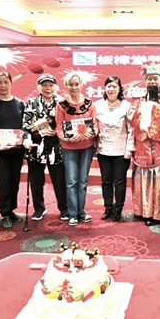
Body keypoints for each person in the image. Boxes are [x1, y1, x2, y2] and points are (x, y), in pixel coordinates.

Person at [128, 61, 160, 226]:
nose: (152, 82)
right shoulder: (138, 100)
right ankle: (143, 211)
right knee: (142, 180)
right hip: (142, 146)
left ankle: (159, 214)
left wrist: (156, 110)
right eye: (149, 79)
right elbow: (131, 117)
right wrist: (143, 111)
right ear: (145, 81)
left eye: (155, 78)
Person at [22, 73, 68, 221]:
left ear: (56, 87)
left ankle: (64, 208)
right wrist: (26, 139)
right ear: (39, 87)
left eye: (50, 85)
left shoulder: (62, 103)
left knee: (60, 180)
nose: (48, 88)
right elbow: (25, 126)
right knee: (36, 181)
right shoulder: (32, 103)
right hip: (37, 147)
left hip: (57, 148)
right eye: (44, 85)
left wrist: (56, 132)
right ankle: (39, 208)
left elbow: (67, 124)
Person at [55, 71, 98, 226]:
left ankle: (82, 211)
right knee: (71, 181)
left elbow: (95, 126)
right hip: (69, 148)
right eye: (70, 84)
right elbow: (59, 128)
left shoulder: (89, 104)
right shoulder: (61, 105)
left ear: (81, 85)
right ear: (66, 86)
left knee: (83, 181)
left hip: (86, 147)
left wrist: (90, 134)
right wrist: (65, 138)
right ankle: (73, 213)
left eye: (76, 84)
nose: (74, 87)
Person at [0, 71, 26, 229]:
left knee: (15, 181)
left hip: (17, 150)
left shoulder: (19, 103)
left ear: (11, 83)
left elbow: (24, 127)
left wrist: (23, 140)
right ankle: (4, 213)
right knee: (3, 182)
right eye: (0, 82)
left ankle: (11, 210)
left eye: (6, 82)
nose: (3, 85)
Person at [94, 76, 133, 222]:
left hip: (121, 150)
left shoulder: (126, 106)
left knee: (120, 181)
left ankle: (118, 208)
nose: (111, 89)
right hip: (103, 149)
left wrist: (129, 149)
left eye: (114, 86)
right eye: (108, 86)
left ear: (119, 89)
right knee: (106, 181)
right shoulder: (97, 105)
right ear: (105, 88)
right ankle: (108, 207)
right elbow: (93, 126)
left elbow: (131, 129)